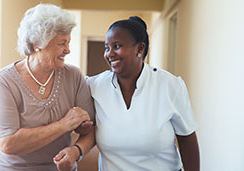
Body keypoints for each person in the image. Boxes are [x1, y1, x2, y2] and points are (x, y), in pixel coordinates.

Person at [55, 16, 200, 171]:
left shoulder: (170, 85)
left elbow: (187, 139)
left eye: (117, 46)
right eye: (107, 48)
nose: (109, 54)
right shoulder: (94, 86)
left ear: (140, 49)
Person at [0, 4, 95, 171]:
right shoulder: (3, 81)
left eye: (68, 42)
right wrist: (64, 125)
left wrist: (76, 150)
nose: (68, 50)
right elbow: (8, 143)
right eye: (62, 43)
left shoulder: (73, 75)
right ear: (38, 43)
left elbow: (91, 129)